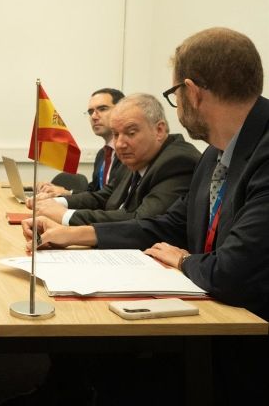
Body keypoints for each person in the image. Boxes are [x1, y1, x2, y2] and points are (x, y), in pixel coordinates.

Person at [23, 27, 268, 404]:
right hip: (215, 325)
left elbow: (231, 272)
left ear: (192, 92)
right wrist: (74, 235)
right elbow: (168, 224)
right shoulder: (215, 154)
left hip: (247, 351)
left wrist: (183, 259)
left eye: (174, 96)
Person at [28, 93, 201, 226]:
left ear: (159, 130)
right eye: (116, 134)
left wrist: (66, 216)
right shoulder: (135, 155)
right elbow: (106, 196)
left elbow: (141, 221)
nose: (119, 144)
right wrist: (56, 202)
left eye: (130, 133)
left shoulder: (177, 161)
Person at [36, 88, 128, 197]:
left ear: (122, 111)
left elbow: (112, 196)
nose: (94, 116)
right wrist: (65, 192)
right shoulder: (102, 154)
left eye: (102, 109)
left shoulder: (128, 152)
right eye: (91, 112)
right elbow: (95, 192)